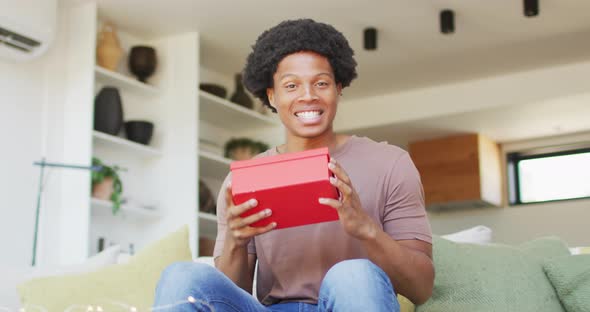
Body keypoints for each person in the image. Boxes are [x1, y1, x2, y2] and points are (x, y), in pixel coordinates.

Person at [154, 19, 434, 312]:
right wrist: (236, 242)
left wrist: (366, 229)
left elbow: (422, 288)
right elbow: (229, 297)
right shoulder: (245, 180)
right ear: (272, 96)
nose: (308, 95)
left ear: (338, 87)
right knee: (180, 276)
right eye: (291, 85)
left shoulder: (390, 164)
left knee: (352, 274)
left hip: (352, 301)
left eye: (321, 83)